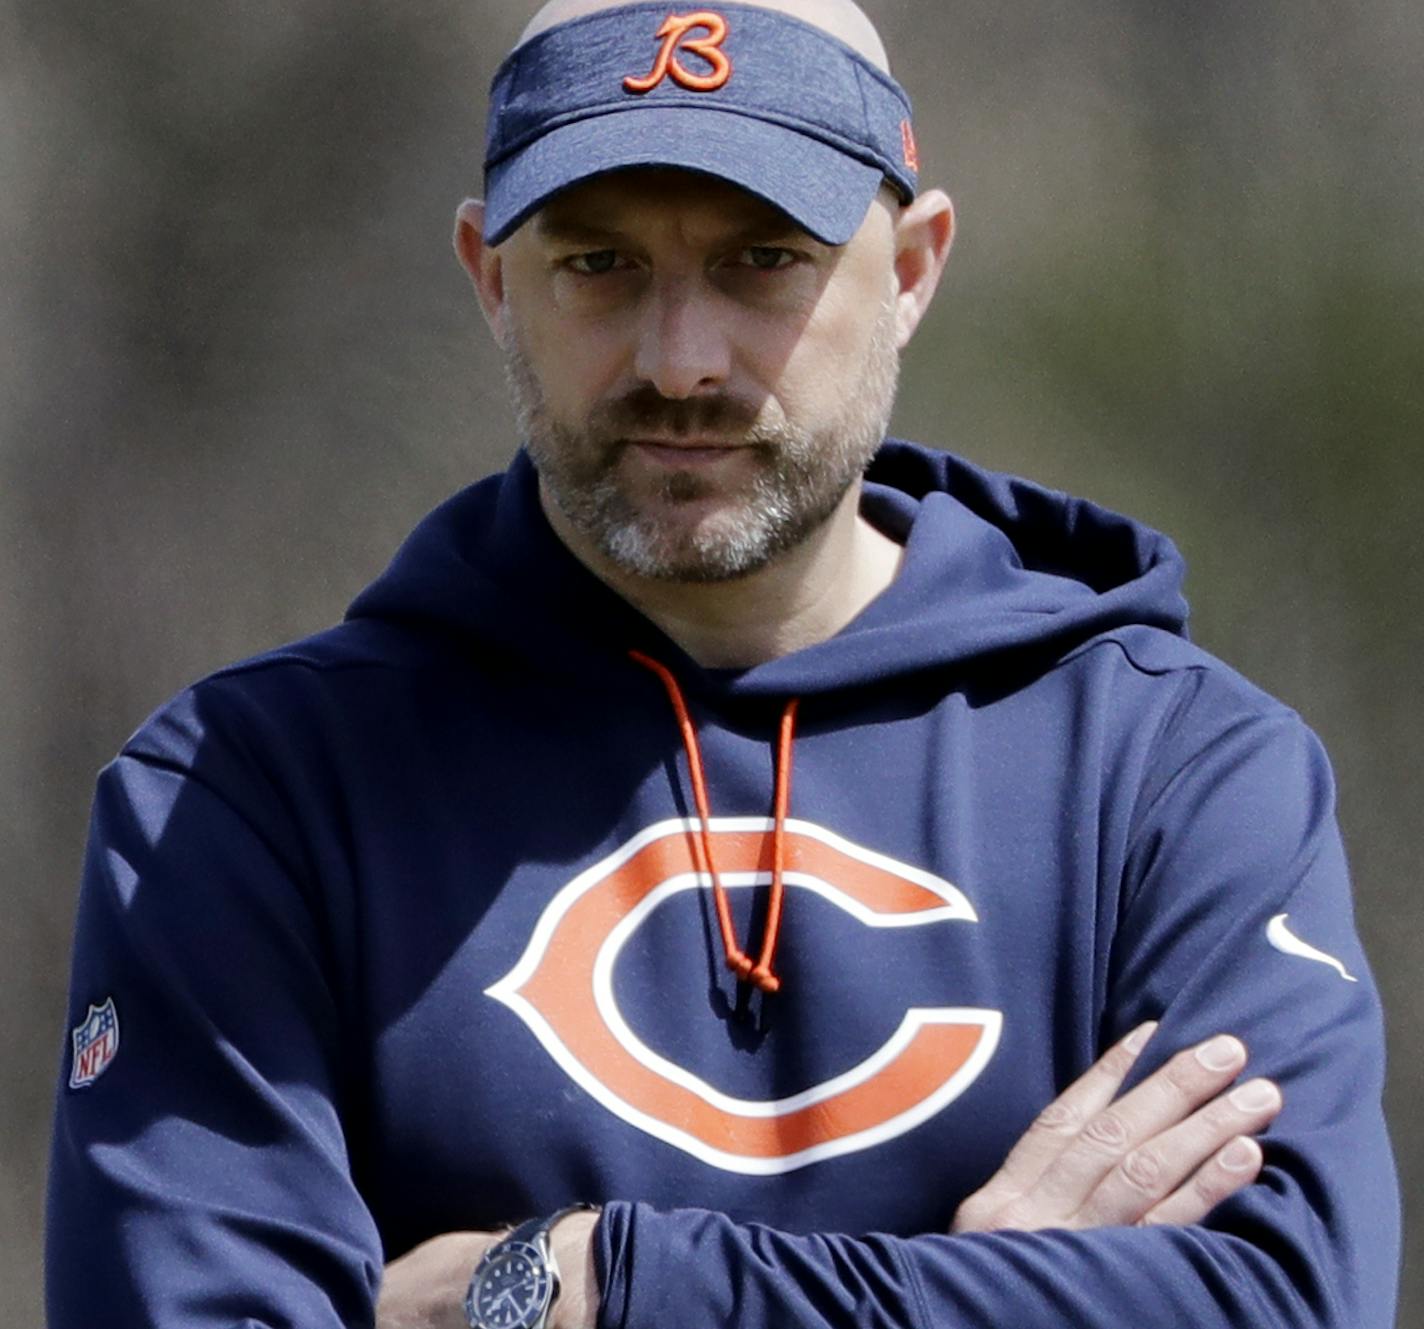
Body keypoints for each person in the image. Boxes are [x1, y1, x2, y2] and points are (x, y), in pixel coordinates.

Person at [47, 1, 1399, 1326]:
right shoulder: (245, 797)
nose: (680, 361)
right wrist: (994, 1285)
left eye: (763, 260)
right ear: (489, 278)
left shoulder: (1169, 771)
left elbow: (1282, 1297)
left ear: (916, 268)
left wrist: (579, 1288)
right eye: (598, 264)